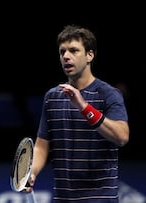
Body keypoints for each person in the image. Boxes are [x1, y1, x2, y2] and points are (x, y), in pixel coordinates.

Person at [26, 25, 129, 202]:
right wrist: (32, 172)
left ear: (90, 55)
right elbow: (42, 145)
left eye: (73, 50)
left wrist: (84, 107)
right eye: (62, 52)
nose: (66, 56)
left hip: (100, 199)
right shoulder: (52, 97)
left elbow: (121, 136)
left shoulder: (108, 94)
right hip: (63, 198)